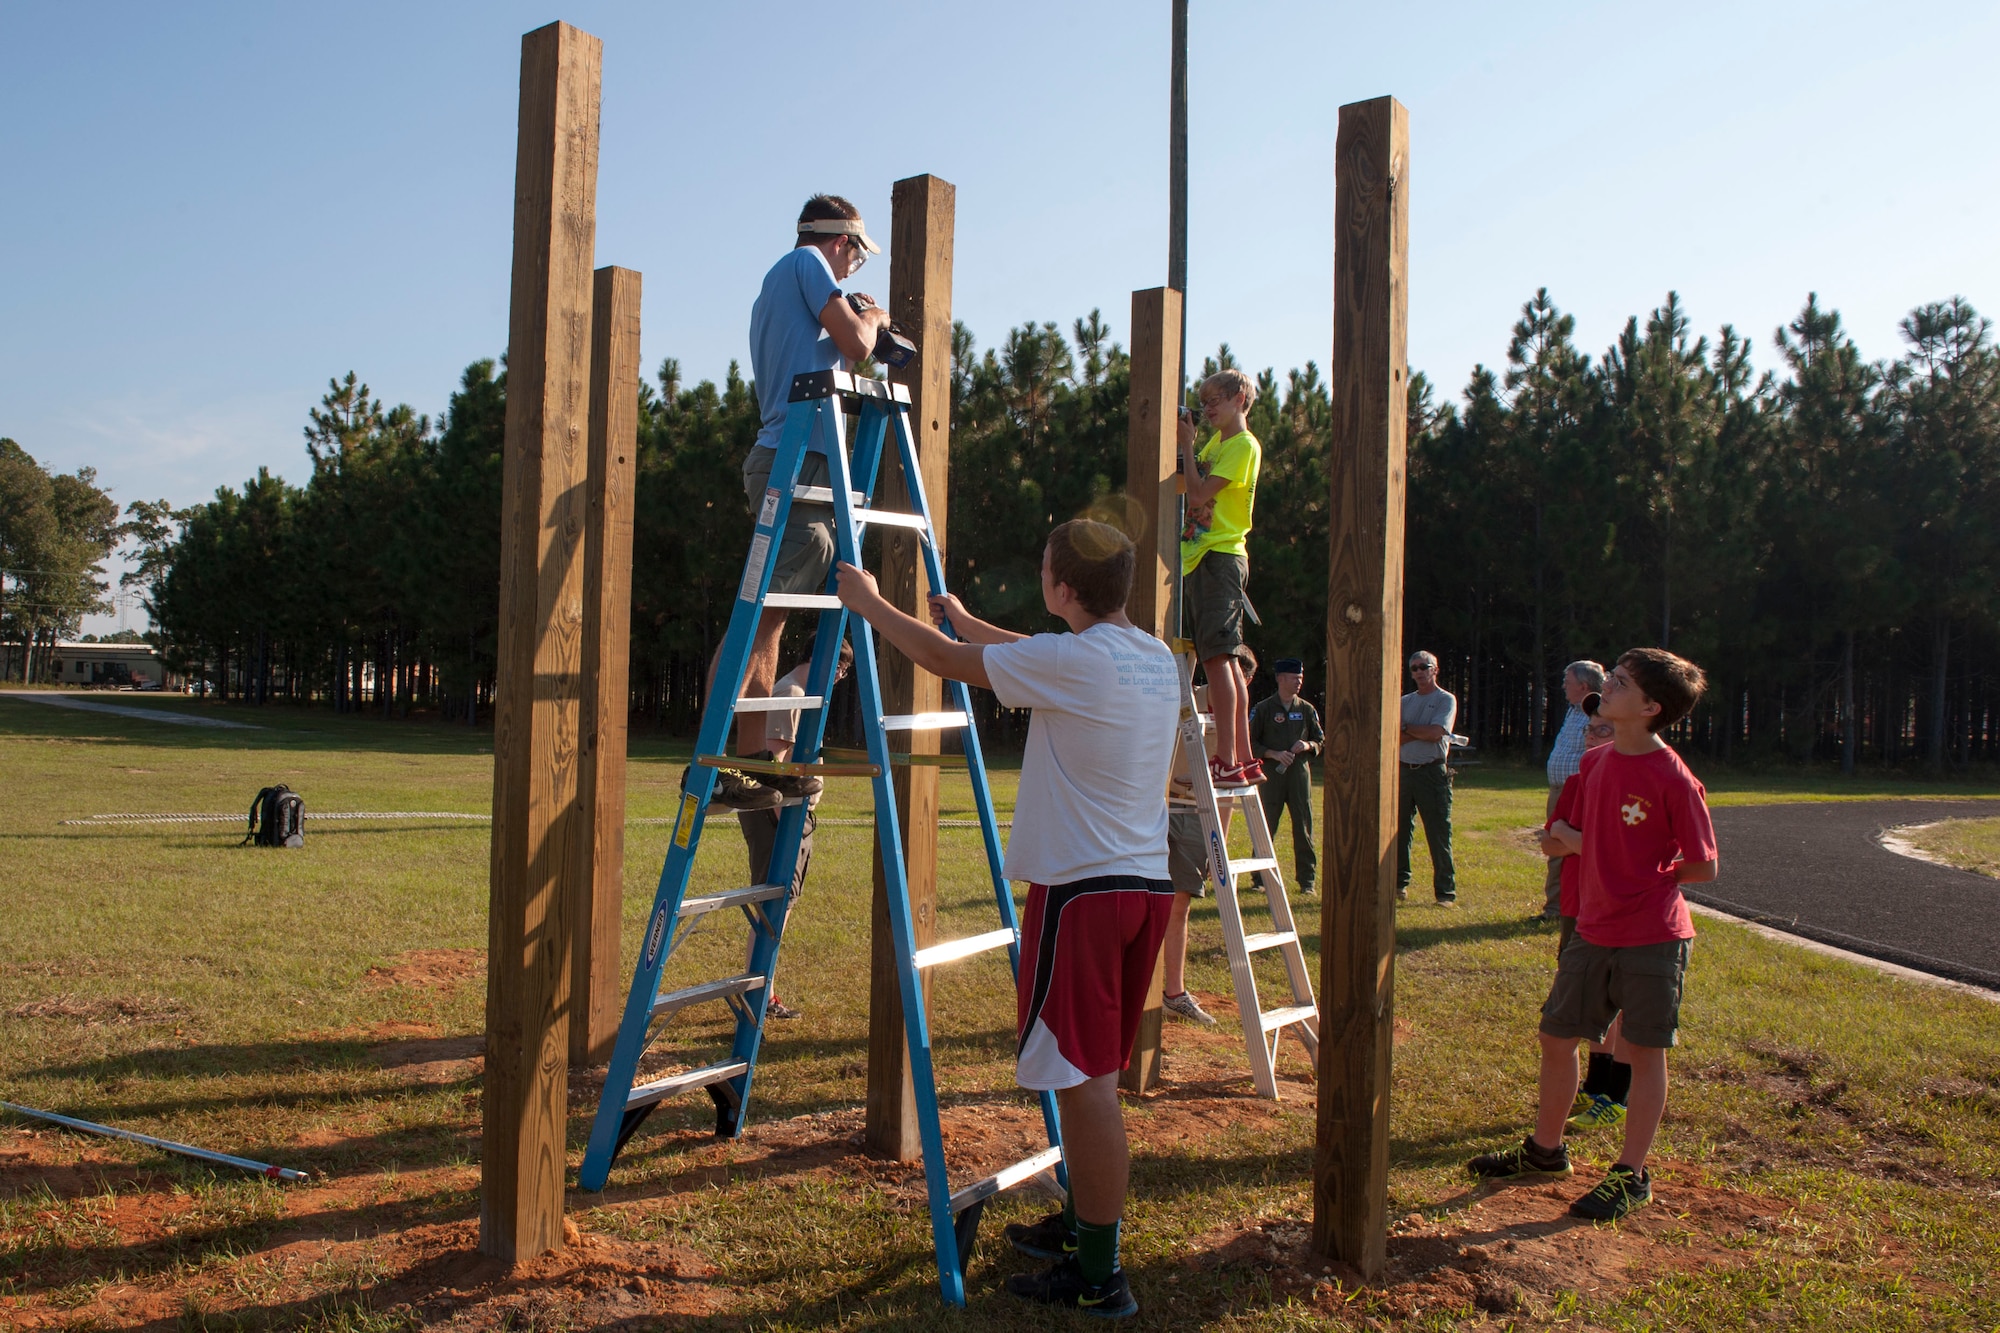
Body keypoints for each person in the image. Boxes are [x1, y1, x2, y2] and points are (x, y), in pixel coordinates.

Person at [834, 518, 1176, 1317]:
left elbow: (951, 664)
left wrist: (872, 604)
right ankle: (1083, 1226)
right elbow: (1028, 648)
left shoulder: (1071, 662)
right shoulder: (1148, 657)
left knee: (1087, 1086)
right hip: (1141, 890)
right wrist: (967, 618)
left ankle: (1101, 1275)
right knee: (1098, 1074)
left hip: (1081, 894)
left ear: (1064, 588)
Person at [1469, 648, 1717, 1221]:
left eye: (1623, 682)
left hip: (1653, 935)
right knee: (1557, 1037)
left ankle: (1631, 1174)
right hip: (1592, 929)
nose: (1611, 685)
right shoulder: (1600, 764)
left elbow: (1703, 866)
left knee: (1644, 1053)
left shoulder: (1674, 778)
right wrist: (1567, 838)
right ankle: (1545, 1153)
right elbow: (1568, 836)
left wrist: (1641, 879)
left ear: (1651, 707)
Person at [699, 193, 896, 811]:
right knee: (757, 617)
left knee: (772, 616)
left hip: (805, 459)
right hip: (794, 459)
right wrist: (876, 319)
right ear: (841, 240)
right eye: (857, 258)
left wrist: (863, 331)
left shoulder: (787, 288)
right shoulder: (807, 263)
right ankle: (719, 762)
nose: (852, 272)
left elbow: (849, 357)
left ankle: (753, 762)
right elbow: (862, 347)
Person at [734, 633, 852, 1019]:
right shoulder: (792, 694)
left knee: (779, 905)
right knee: (775, 907)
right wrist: (790, 824)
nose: (840, 677)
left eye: (845, 671)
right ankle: (759, 996)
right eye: (841, 667)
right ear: (826, 660)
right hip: (780, 814)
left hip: (785, 813)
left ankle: (763, 991)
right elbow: (776, 769)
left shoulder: (798, 693)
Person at [1538, 694, 1630, 1128]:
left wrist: (1575, 838)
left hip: (1619, 908)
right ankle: (1595, 1088)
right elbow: (1549, 842)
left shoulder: (1630, 785)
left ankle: (1613, 1092)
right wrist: (1573, 838)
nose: (1593, 738)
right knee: (1582, 1004)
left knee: (1619, 1001)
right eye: (1591, 730)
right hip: (1578, 904)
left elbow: (1611, 851)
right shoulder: (1578, 782)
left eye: (1603, 730)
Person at [1178, 369, 1263, 787]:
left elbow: (1197, 494)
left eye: (1215, 400)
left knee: (1218, 661)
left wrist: (1187, 445)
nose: (1208, 408)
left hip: (1219, 556)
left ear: (1240, 397)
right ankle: (1242, 758)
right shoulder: (1217, 442)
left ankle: (1226, 759)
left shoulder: (1243, 444)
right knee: (1223, 659)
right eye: (1204, 401)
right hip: (1204, 558)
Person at [1248, 657, 1323, 894]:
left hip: (1299, 776)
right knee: (1267, 825)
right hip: (1272, 776)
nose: (1298, 682)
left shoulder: (1307, 709)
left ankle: (1307, 881)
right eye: (1294, 678)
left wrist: (1308, 745)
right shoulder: (1263, 709)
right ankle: (1259, 879)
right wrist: (1272, 753)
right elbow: (1250, 742)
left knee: (1303, 826)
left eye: (1300, 678)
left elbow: (1320, 740)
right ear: (1280, 679)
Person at [1541, 660, 1606, 919]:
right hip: (1560, 791)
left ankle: (1560, 910)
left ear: (1583, 685)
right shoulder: (1573, 711)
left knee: (1567, 847)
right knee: (1555, 846)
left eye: (1567, 682)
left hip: (1579, 792)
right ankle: (1556, 907)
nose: (1563, 686)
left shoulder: (1598, 713)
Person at [1397, 651, 1458, 904]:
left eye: (1424, 667)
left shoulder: (1446, 700)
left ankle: (1445, 892)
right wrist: (1416, 732)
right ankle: (1399, 884)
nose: (1419, 672)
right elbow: (1393, 737)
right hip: (1402, 771)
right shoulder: (1403, 702)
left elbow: (1436, 733)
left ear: (1435, 669)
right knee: (1397, 832)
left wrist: (1407, 728)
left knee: (1438, 832)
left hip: (1432, 772)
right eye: (1414, 669)